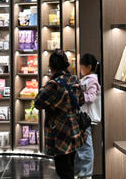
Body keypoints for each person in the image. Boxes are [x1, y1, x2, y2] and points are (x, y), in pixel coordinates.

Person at [34, 50, 87, 179]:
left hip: (59, 131)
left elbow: (38, 103)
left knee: (63, 170)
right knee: (69, 167)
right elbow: (81, 101)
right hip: (74, 129)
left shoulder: (53, 84)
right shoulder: (74, 79)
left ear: (52, 66)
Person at [74, 53, 102, 179]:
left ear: (89, 67)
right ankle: (81, 172)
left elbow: (91, 97)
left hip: (86, 118)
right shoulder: (87, 79)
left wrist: (78, 96)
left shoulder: (92, 80)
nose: (80, 70)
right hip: (83, 117)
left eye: (82, 67)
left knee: (86, 147)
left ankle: (86, 174)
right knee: (82, 146)